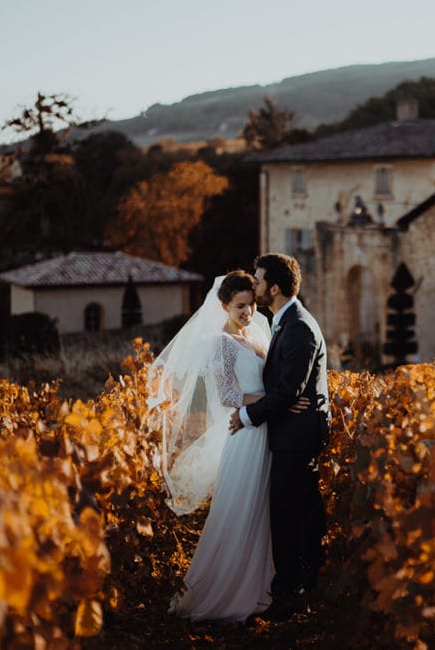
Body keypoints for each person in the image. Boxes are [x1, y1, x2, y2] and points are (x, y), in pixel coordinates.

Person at [148, 270, 307, 623]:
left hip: (267, 429)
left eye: (250, 305)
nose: (248, 313)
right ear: (224, 306)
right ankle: (227, 592)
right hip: (246, 434)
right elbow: (229, 395)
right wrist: (278, 400)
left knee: (267, 512)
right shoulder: (220, 343)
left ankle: (265, 587)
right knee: (242, 509)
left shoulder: (258, 330)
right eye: (239, 307)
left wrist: (278, 401)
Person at [229, 253, 330, 622]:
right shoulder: (285, 322)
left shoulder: (299, 326)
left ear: (273, 287)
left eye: (257, 281)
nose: (254, 287)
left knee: (288, 515)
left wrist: (247, 415)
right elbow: (287, 387)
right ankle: (302, 586)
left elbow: (290, 390)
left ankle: (289, 595)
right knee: (298, 511)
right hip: (291, 430)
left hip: (298, 435)